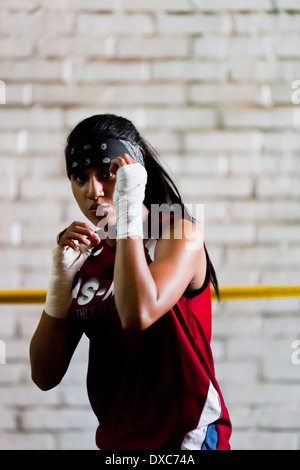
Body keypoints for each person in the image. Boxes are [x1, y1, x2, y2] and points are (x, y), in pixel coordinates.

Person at [30, 113, 232, 450]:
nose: (93, 190)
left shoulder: (180, 234)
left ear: (133, 174)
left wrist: (126, 213)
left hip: (187, 439)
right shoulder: (87, 260)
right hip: (118, 443)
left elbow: (137, 314)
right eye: (80, 177)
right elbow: (44, 375)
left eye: (106, 173)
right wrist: (59, 282)